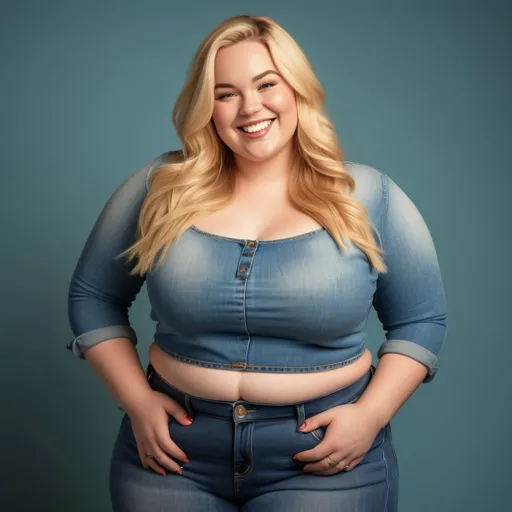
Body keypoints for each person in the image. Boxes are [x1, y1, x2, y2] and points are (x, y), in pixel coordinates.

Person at [66, 14, 448, 512]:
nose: (250, 107)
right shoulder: (160, 187)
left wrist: (371, 416)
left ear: (296, 90)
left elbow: (420, 321)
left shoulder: (369, 198)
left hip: (322, 462)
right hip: (172, 456)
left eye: (266, 84)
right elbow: (93, 297)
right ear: (207, 107)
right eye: (225, 93)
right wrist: (137, 401)